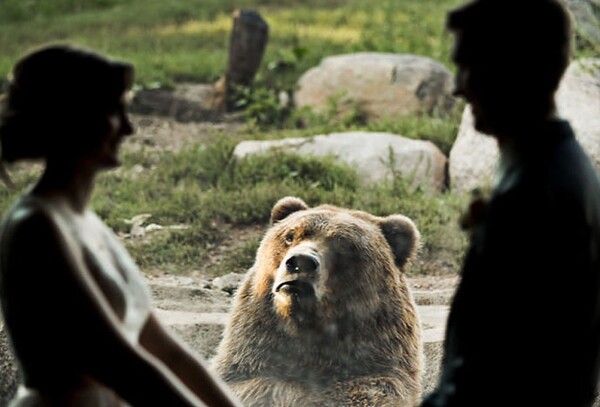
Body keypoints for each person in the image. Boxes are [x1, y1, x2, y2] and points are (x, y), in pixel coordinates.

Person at [0, 44, 243, 407]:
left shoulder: (87, 223)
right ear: (73, 118)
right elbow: (125, 368)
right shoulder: (36, 228)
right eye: (116, 112)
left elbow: (168, 352)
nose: (129, 128)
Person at [421, 1, 600, 406]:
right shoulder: (563, 167)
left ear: (512, 72)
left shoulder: (532, 197)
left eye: (469, 67)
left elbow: (488, 376)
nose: (458, 87)